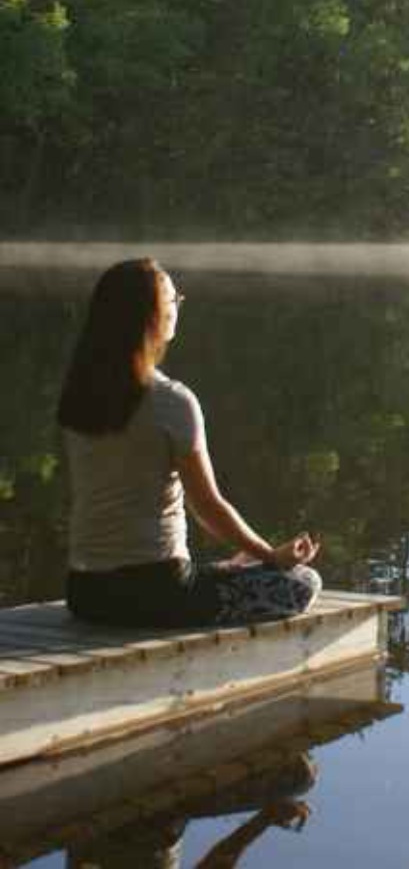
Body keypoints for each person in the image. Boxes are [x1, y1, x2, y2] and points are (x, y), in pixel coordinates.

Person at [59, 257, 322, 628]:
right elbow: (207, 507)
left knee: (220, 571)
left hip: (86, 593)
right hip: (158, 591)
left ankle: (230, 569)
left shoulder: (80, 396)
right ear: (152, 316)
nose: (178, 306)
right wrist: (270, 556)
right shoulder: (171, 401)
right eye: (173, 300)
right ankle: (239, 569)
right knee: (303, 582)